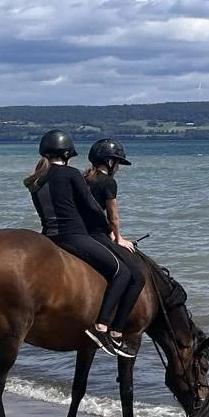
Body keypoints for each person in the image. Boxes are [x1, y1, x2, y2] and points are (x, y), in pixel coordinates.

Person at [26, 129, 142, 358]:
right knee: (122, 272)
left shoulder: (36, 180)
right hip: (74, 236)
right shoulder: (70, 174)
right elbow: (90, 206)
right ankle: (103, 328)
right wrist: (111, 231)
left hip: (48, 236)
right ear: (68, 153)